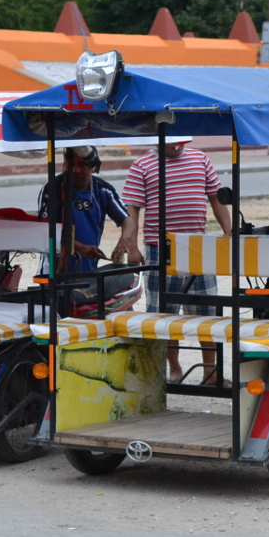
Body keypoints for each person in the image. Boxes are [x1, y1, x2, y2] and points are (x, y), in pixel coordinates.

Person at [114, 139, 232, 383]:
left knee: (206, 311)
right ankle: (175, 369)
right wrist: (133, 247)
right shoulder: (143, 165)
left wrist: (229, 231)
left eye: (181, 143)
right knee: (163, 315)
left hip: (199, 248)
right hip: (161, 249)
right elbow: (133, 209)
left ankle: (210, 371)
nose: (177, 147)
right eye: (172, 144)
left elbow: (215, 197)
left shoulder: (200, 159)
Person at [38, 145, 130, 275]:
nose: (75, 170)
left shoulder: (103, 190)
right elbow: (45, 232)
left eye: (82, 165)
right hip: (55, 269)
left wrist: (123, 242)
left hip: (89, 267)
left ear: (93, 167)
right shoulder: (53, 189)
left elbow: (127, 219)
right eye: (72, 164)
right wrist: (80, 248)